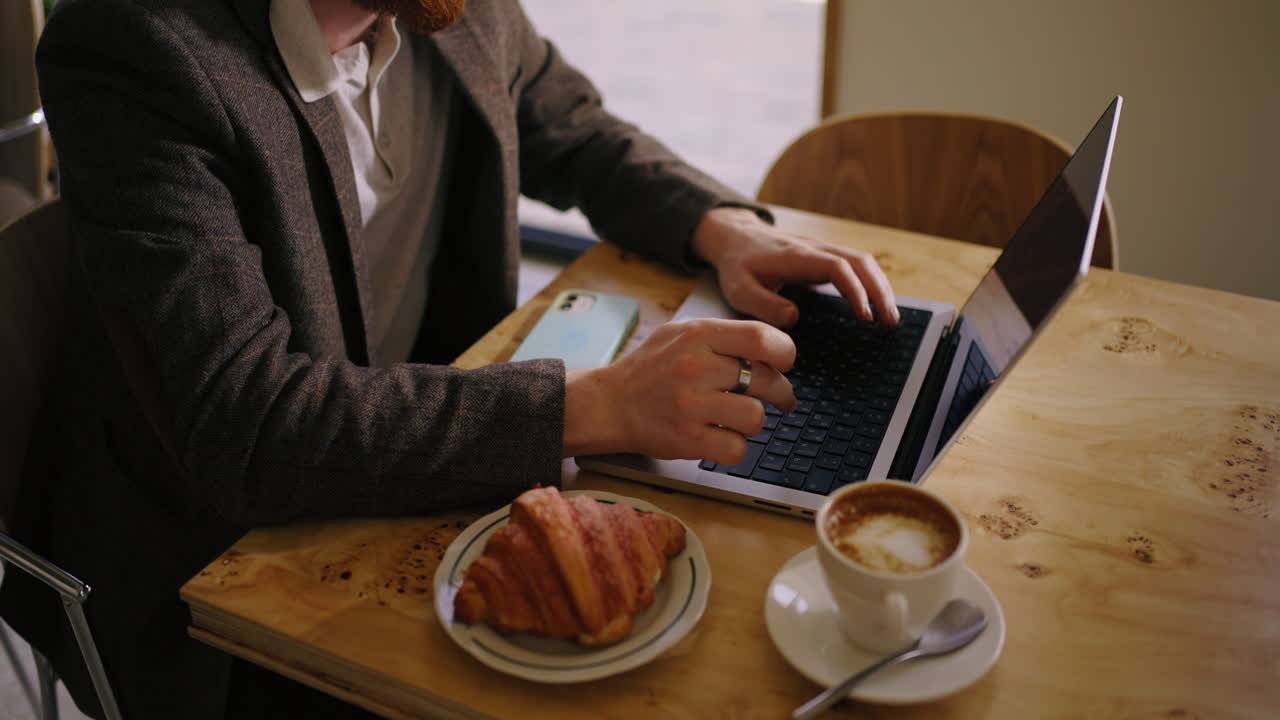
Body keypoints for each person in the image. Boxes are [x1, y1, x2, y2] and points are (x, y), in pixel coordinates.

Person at [0, 0, 898, 717]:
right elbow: (251, 422)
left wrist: (724, 230)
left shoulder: (441, 6)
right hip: (221, 578)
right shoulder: (134, 46)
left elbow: (574, 128)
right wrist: (600, 404)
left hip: (417, 481)